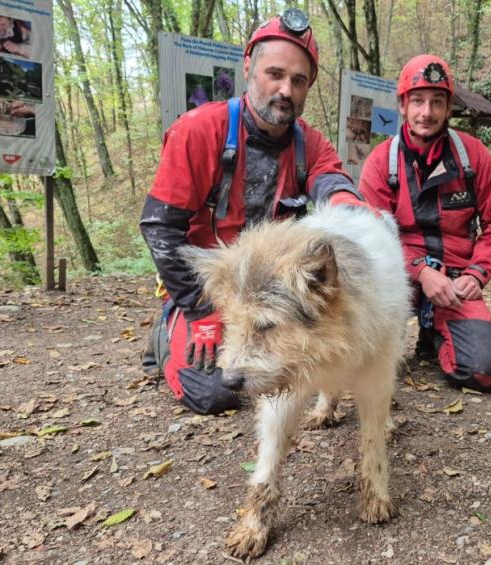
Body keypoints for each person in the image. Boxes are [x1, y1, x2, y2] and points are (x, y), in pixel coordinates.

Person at [140, 9, 372, 415]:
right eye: (275, 73)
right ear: (249, 67)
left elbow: (332, 182)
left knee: (292, 369)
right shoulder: (199, 130)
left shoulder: (309, 144)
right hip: (211, 289)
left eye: (298, 81)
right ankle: (166, 335)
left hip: (272, 296)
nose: (285, 89)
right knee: (216, 393)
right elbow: (159, 228)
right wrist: (199, 310)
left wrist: (351, 212)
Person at [358, 54, 491, 392]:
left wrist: (476, 273)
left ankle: (434, 330)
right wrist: (421, 271)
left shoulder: (473, 157)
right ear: (402, 105)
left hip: (456, 281)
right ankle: (417, 325)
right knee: (365, 364)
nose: (426, 112)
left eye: (436, 102)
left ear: (448, 108)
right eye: (417, 101)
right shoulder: (381, 162)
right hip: (397, 279)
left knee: (482, 373)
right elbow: (371, 238)